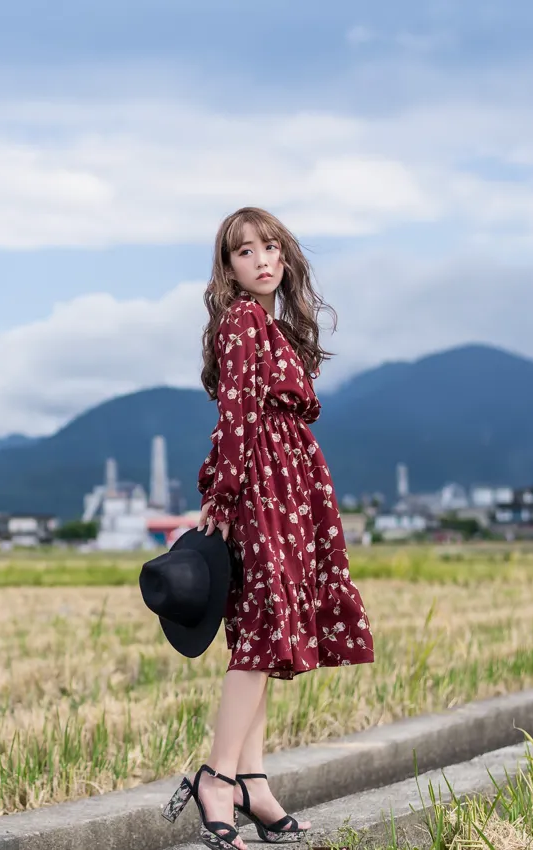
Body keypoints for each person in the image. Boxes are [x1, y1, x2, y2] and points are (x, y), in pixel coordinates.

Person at [163, 206, 375, 848]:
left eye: (270, 246)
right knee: (258, 635)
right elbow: (236, 414)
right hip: (261, 488)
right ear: (227, 267)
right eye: (244, 251)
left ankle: (253, 779)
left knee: (270, 633)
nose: (261, 259)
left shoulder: (271, 325)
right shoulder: (240, 321)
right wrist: (224, 497)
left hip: (290, 489)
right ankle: (217, 778)